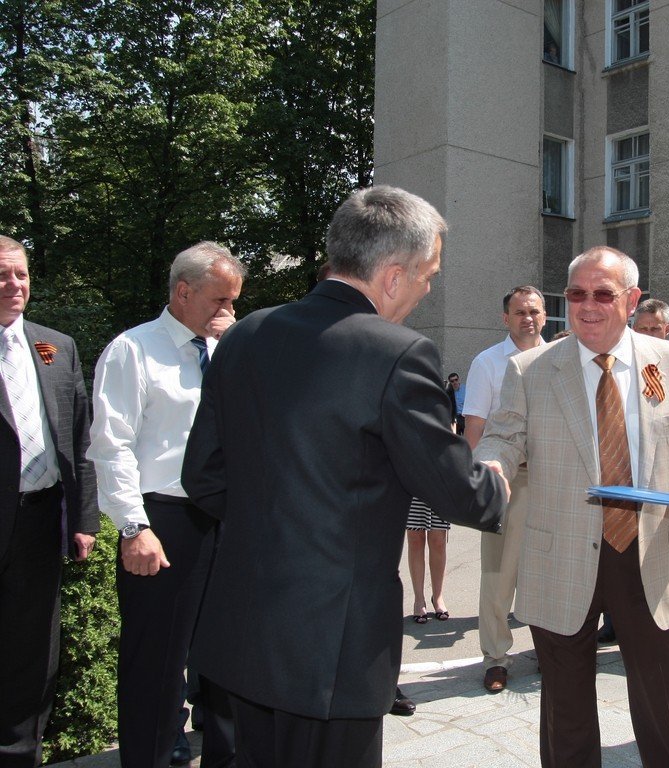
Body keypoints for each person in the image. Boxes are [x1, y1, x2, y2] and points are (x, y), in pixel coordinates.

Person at [180, 185, 507, 768]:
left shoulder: (246, 334)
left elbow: (203, 475)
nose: (428, 288)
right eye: (428, 275)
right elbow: (456, 491)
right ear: (392, 276)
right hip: (333, 640)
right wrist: (497, 484)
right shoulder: (400, 354)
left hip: (244, 624)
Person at [475, 246, 669, 768]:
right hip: (560, 551)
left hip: (649, 550)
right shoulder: (531, 369)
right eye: (577, 294)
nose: (587, 305)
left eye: (602, 294)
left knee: (664, 699)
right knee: (566, 706)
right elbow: (501, 436)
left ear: (631, 300)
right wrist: (492, 466)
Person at [88, 241, 245, 768]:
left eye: (234, 301)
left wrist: (237, 350)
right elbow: (112, 446)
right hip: (164, 521)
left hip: (227, 520)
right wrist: (133, 527)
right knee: (155, 664)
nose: (229, 311)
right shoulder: (133, 350)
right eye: (221, 300)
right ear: (183, 292)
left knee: (228, 660)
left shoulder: (232, 350)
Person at [0, 236, 98, 768]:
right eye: (2, 275)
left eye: (21, 274)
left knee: (34, 652)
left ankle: (19, 755)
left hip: (39, 521)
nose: (15, 285)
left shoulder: (55, 347)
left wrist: (83, 518)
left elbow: (80, 440)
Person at [462, 286, 546, 693]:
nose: (527, 318)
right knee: (498, 574)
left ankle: (549, 650)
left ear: (545, 316)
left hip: (551, 482)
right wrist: (479, 483)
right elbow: (474, 427)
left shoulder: (560, 359)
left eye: (534, 311)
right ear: (505, 318)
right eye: (519, 312)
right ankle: (496, 657)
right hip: (506, 480)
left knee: (547, 572)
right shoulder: (488, 362)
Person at [598, 296, 669, 645]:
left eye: (654, 329)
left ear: (667, 331)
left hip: (658, 495)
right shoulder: (617, 366)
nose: (647, 334)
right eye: (641, 328)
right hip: (613, 485)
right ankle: (612, 623)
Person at [406, 497, 450, 623]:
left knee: (439, 541)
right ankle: (419, 599)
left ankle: (438, 596)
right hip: (412, 484)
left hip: (439, 483)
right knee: (415, 539)